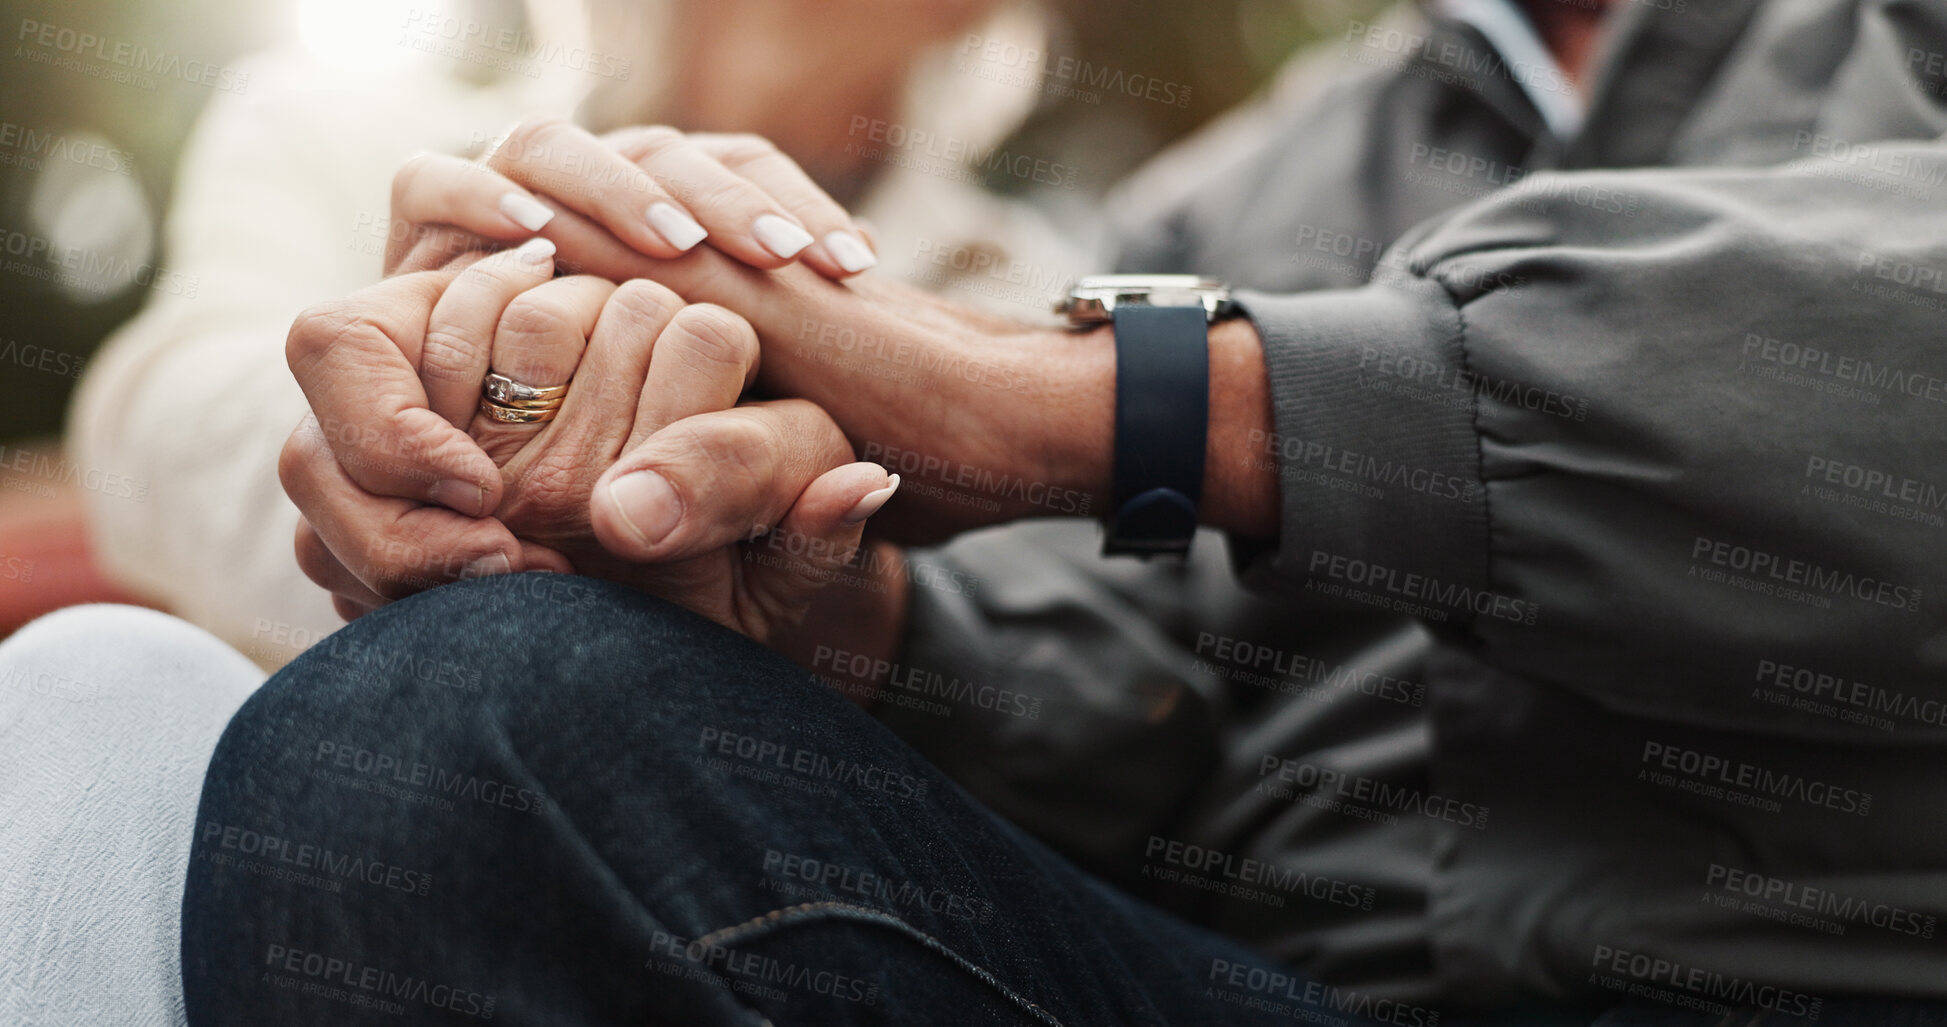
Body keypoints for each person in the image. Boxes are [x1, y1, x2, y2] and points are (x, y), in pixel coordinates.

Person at [251, 0, 1947, 1018]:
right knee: (467, 708)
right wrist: (785, 583)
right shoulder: (1229, 185)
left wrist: (1091, 402)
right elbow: (1122, 702)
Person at [67, 0, 1086, 668]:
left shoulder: (1036, 290)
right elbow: (155, 421)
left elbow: (1089, 673)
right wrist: (457, 403)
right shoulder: (331, 123)